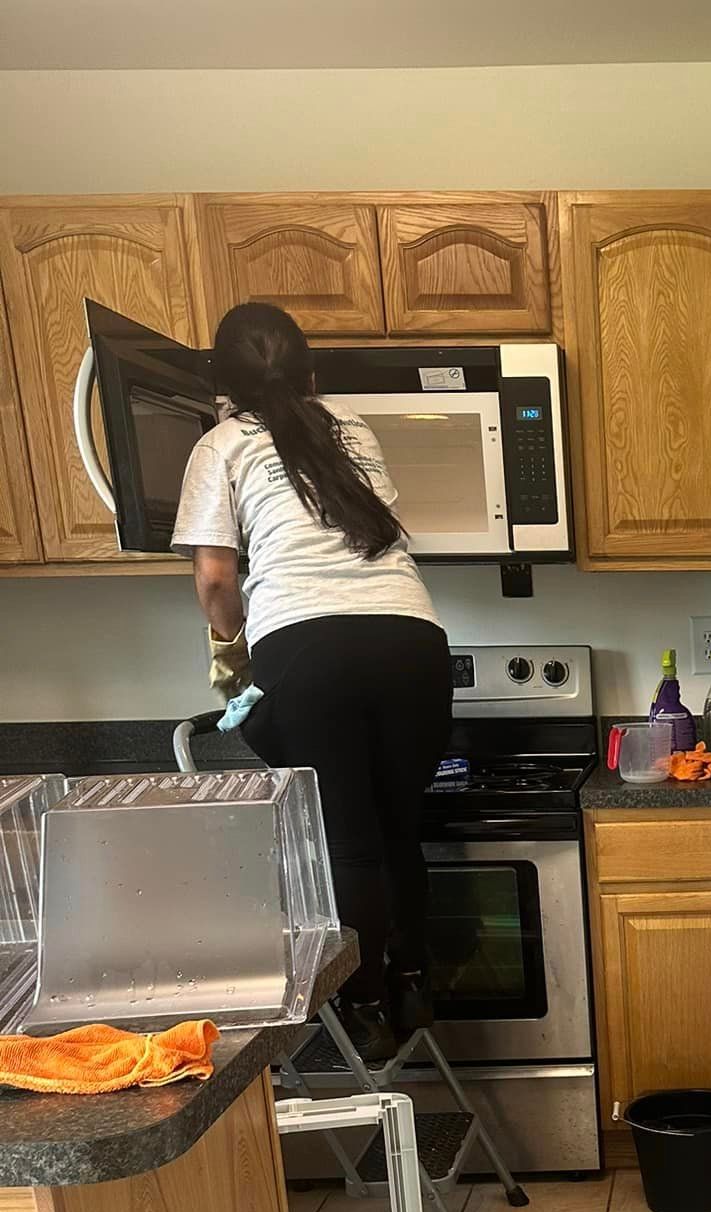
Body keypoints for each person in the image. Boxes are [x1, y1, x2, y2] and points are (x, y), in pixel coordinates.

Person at [171, 301, 452, 1064]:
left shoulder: (221, 444)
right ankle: (414, 979)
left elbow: (216, 577)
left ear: (221, 388)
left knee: (350, 845)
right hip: (412, 640)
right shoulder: (350, 430)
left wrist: (230, 654)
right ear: (313, 375)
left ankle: (360, 1011)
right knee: (399, 827)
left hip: (305, 643)